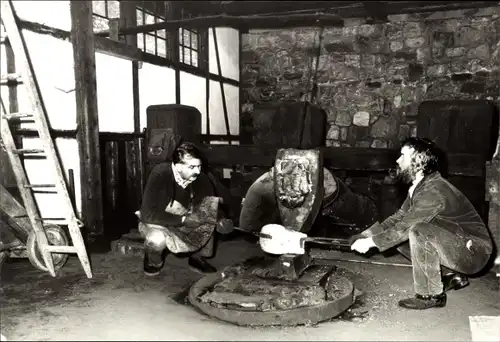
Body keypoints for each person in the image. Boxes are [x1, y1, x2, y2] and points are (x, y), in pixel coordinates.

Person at [350, 137, 493, 310]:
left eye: (403, 156)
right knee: (398, 237)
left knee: (417, 230)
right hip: (458, 242)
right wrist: (366, 235)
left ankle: (431, 295)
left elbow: (405, 227)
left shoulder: (433, 190)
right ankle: (449, 275)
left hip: (474, 252)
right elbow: (399, 217)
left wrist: (371, 243)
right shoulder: (421, 186)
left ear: (418, 161)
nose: (398, 160)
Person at [139, 141, 223, 276]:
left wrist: (220, 218)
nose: (198, 171)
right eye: (192, 167)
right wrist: (184, 219)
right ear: (178, 166)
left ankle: (197, 258)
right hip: (160, 221)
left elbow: (209, 205)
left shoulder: (201, 178)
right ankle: (154, 261)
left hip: (186, 218)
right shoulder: (160, 174)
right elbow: (147, 214)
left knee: (209, 211)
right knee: (155, 239)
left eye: (199, 166)